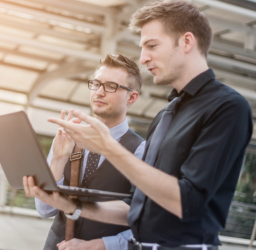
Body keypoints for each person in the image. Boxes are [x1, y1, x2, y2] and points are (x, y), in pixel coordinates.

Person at [24, 0, 253, 248]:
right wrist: (69, 205)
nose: (143, 58)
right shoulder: (166, 115)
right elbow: (137, 207)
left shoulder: (227, 107)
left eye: (152, 46)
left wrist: (107, 147)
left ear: (187, 42)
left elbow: (188, 202)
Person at [36, 54, 146, 250]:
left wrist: (100, 245)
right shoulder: (67, 136)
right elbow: (45, 210)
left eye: (111, 86)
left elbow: (144, 220)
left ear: (132, 97)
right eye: (96, 84)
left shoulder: (141, 150)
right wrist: (59, 160)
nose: (100, 92)